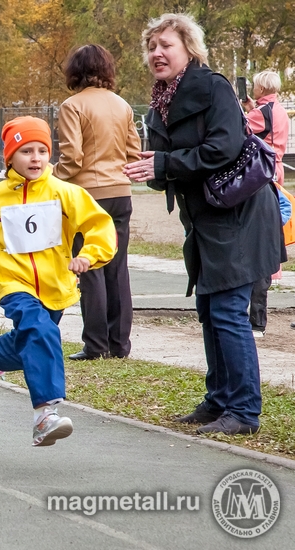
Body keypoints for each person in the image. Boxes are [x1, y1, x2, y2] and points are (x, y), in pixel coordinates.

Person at [124, 13, 285, 435]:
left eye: (166, 45)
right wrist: (153, 169)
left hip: (240, 214)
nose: (157, 53)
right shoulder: (160, 102)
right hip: (204, 219)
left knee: (230, 311)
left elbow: (224, 148)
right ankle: (218, 401)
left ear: (189, 50)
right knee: (210, 310)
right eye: (152, 47)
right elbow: (165, 166)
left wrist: (165, 163)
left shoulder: (213, 87)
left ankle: (245, 411)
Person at [0, 116, 116, 446]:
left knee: (34, 340)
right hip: (13, 281)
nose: (35, 158)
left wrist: (89, 254)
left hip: (56, 285)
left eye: (42, 150)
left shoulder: (65, 194)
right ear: (10, 157)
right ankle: (45, 414)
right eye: (26, 151)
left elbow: (100, 225)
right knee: (42, 333)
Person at [53, 44, 141, 360]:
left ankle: (95, 344)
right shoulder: (123, 106)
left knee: (89, 269)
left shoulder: (72, 106)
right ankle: (120, 344)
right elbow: (134, 152)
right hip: (120, 193)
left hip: (87, 197)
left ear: (74, 72)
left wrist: (53, 175)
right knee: (117, 268)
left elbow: (73, 157)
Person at [242, 71, 291, 338]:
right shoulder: (279, 111)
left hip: (262, 173)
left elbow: (241, 127)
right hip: (277, 169)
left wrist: (246, 110)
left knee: (258, 244)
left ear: (260, 87)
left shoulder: (262, 112)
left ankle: (256, 319)